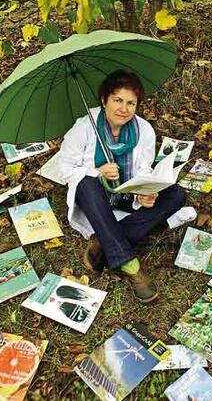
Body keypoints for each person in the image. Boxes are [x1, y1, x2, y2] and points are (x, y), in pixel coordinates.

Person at [53, 69, 188, 304]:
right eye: (117, 100)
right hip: (96, 200)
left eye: (131, 103)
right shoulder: (84, 127)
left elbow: (144, 169)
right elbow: (64, 168)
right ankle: (129, 264)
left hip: (126, 197)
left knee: (176, 195)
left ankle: (103, 243)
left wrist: (145, 193)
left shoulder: (143, 130)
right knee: (87, 183)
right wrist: (97, 171)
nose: (123, 109)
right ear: (104, 100)